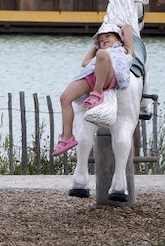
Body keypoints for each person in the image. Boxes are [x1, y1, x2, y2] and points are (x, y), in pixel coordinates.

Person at [52, 21, 134, 156]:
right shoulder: (98, 53)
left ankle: (97, 93)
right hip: (91, 77)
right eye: (101, 40)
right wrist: (95, 45)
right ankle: (67, 137)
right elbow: (84, 63)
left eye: (108, 36)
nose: (104, 40)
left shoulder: (124, 50)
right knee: (65, 98)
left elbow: (128, 28)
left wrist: (119, 28)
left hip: (109, 76)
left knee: (102, 54)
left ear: (118, 38)